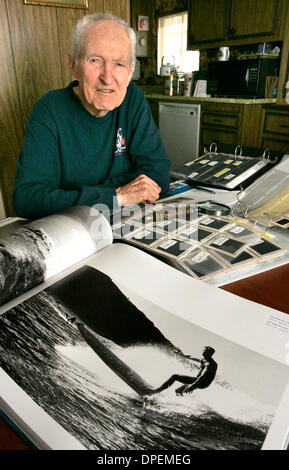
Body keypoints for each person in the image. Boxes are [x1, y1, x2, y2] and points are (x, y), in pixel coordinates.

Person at [12, 13, 171, 219]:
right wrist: (117, 196)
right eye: (95, 60)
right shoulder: (48, 110)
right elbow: (29, 200)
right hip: (73, 231)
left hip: (125, 223)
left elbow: (158, 174)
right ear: (74, 66)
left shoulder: (132, 99)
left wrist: (79, 195)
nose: (107, 78)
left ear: (131, 70)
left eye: (119, 64)